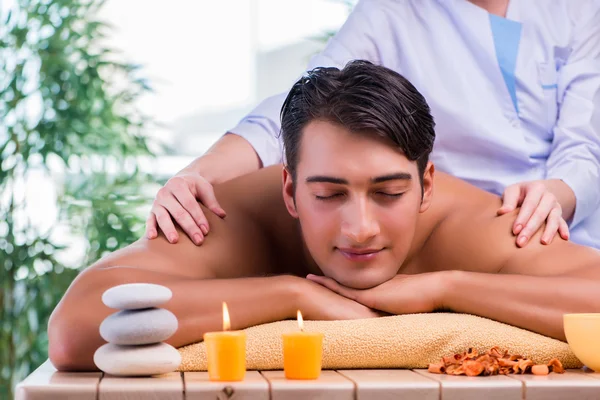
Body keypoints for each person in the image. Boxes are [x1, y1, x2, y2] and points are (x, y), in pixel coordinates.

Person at [48, 61, 600, 373]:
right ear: (289, 189)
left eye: (388, 193)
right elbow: (74, 334)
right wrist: (294, 294)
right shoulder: (237, 215)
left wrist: (447, 287)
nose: (359, 228)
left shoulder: (469, 227)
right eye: (329, 194)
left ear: (426, 185)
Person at [146, 0, 600, 250]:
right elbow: (301, 106)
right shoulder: (390, 13)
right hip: (452, 228)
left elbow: (586, 144)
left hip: (557, 225)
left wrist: (557, 193)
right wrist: (200, 173)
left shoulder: (580, 11)